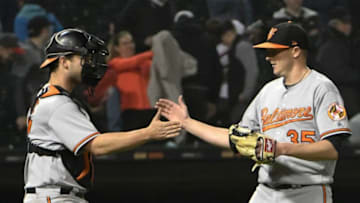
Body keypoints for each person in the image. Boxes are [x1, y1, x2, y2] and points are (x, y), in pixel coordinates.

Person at [156, 22, 352, 203]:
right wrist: (187, 122)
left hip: (307, 191)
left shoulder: (322, 88)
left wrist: (282, 149)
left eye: (275, 51)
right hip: (265, 192)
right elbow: (236, 138)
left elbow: (333, 149)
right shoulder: (268, 91)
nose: (268, 57)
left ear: (295, 51)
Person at [23, 28, 181, 202]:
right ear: (64, 62)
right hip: (54, 196)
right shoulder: (58, 104)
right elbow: (97, 145)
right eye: (84, 58)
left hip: (53, 194)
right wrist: (148, 133)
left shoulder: (51, 96)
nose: (90, 64)